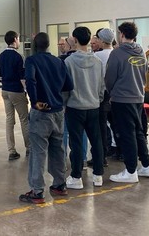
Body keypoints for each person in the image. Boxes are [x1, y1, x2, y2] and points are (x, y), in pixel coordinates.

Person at [19, 32, 74, 204]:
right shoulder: (59, 61)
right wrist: (60, 103)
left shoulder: (31, 61)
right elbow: (69, 85)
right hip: (58, 112)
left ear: (35, 45)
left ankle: (37, 191)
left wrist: (35, 102)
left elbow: (29, 79)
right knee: (58, 150)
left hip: (41, 112)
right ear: (49, 45)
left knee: (38, 151)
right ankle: (60, 185)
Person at [105, 22, 149, 183]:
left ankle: (131, 171)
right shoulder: (140, 52)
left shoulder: (117, 54)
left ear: (121, 34)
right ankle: (146, 165)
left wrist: (111, 92)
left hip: (122, 99)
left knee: (127, 135)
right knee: (138, 132)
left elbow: (110, 78)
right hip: (138, 98)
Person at [63, 27, 105, 189]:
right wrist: (98, 100)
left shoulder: (69, 62)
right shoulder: (97, 61)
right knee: (96, 141)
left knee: (76, 142)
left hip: (74, 107)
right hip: (94, 106)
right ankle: (98, 176)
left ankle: (76, 177)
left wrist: (65, 103)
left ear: (74, 39)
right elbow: (102, 86)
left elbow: (65, 88)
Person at [0, 31, 30, 160]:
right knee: (24, 119)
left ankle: (11, 150)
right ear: (15, 40)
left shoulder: (1, 56)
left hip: (4, 90)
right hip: (16, 91)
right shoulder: (19, 57)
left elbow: (0, 74)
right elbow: (22, 78)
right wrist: (26, 91)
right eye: (18, 39)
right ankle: (29, 148)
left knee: (9, 120)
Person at [94, 28, 115, 164]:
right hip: (117, 94)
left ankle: (102, 157)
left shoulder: (97, 56)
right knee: (117, 124)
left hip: (102, 94)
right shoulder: (117, 53)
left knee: (101, 126)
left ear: (102, 40)